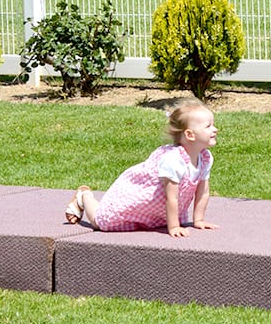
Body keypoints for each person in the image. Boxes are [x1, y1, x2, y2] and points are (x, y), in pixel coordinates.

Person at [63, 99, 219, 238]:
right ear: (190, 135)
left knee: (154, 224)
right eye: (208, 126)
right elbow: (172, 197)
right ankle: (85, 196)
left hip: (157, 211)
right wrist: (174, 226)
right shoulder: (174, 160)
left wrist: (198, 220)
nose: (215, 129)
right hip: (139, 199)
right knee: (102, 222)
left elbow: (203, 191)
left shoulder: (204, 158)